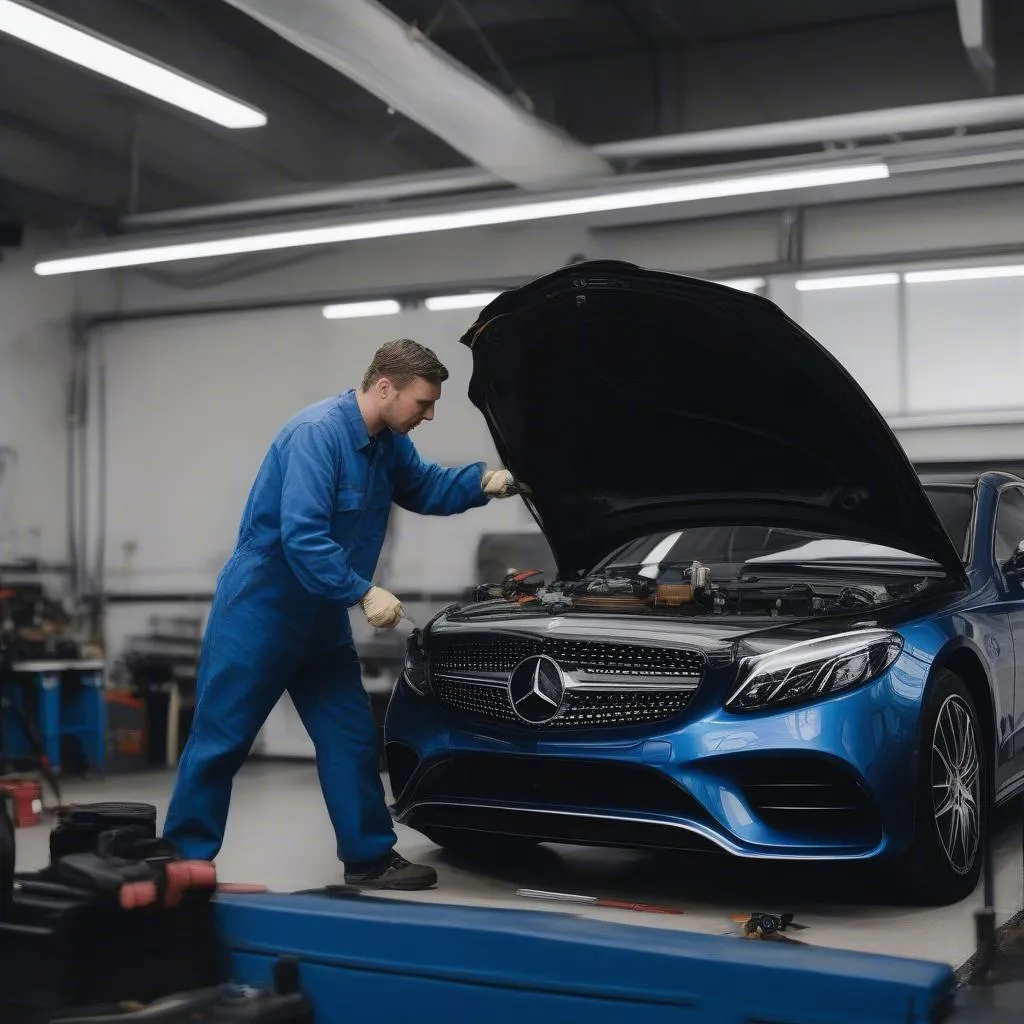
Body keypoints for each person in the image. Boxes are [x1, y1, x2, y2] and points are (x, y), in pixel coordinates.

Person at [161, 338, 519, 890]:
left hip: (321, 616)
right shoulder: (316, 435)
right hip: (263, 609)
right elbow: (302, 538)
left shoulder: (386, 443)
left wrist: (482, 483)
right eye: (423, 403)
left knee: (350, 739)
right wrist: (362, 592)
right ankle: (182, 861)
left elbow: (423, 485)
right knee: (220, 742)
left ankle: (369, 857)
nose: (429, 414)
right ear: (385, 387)